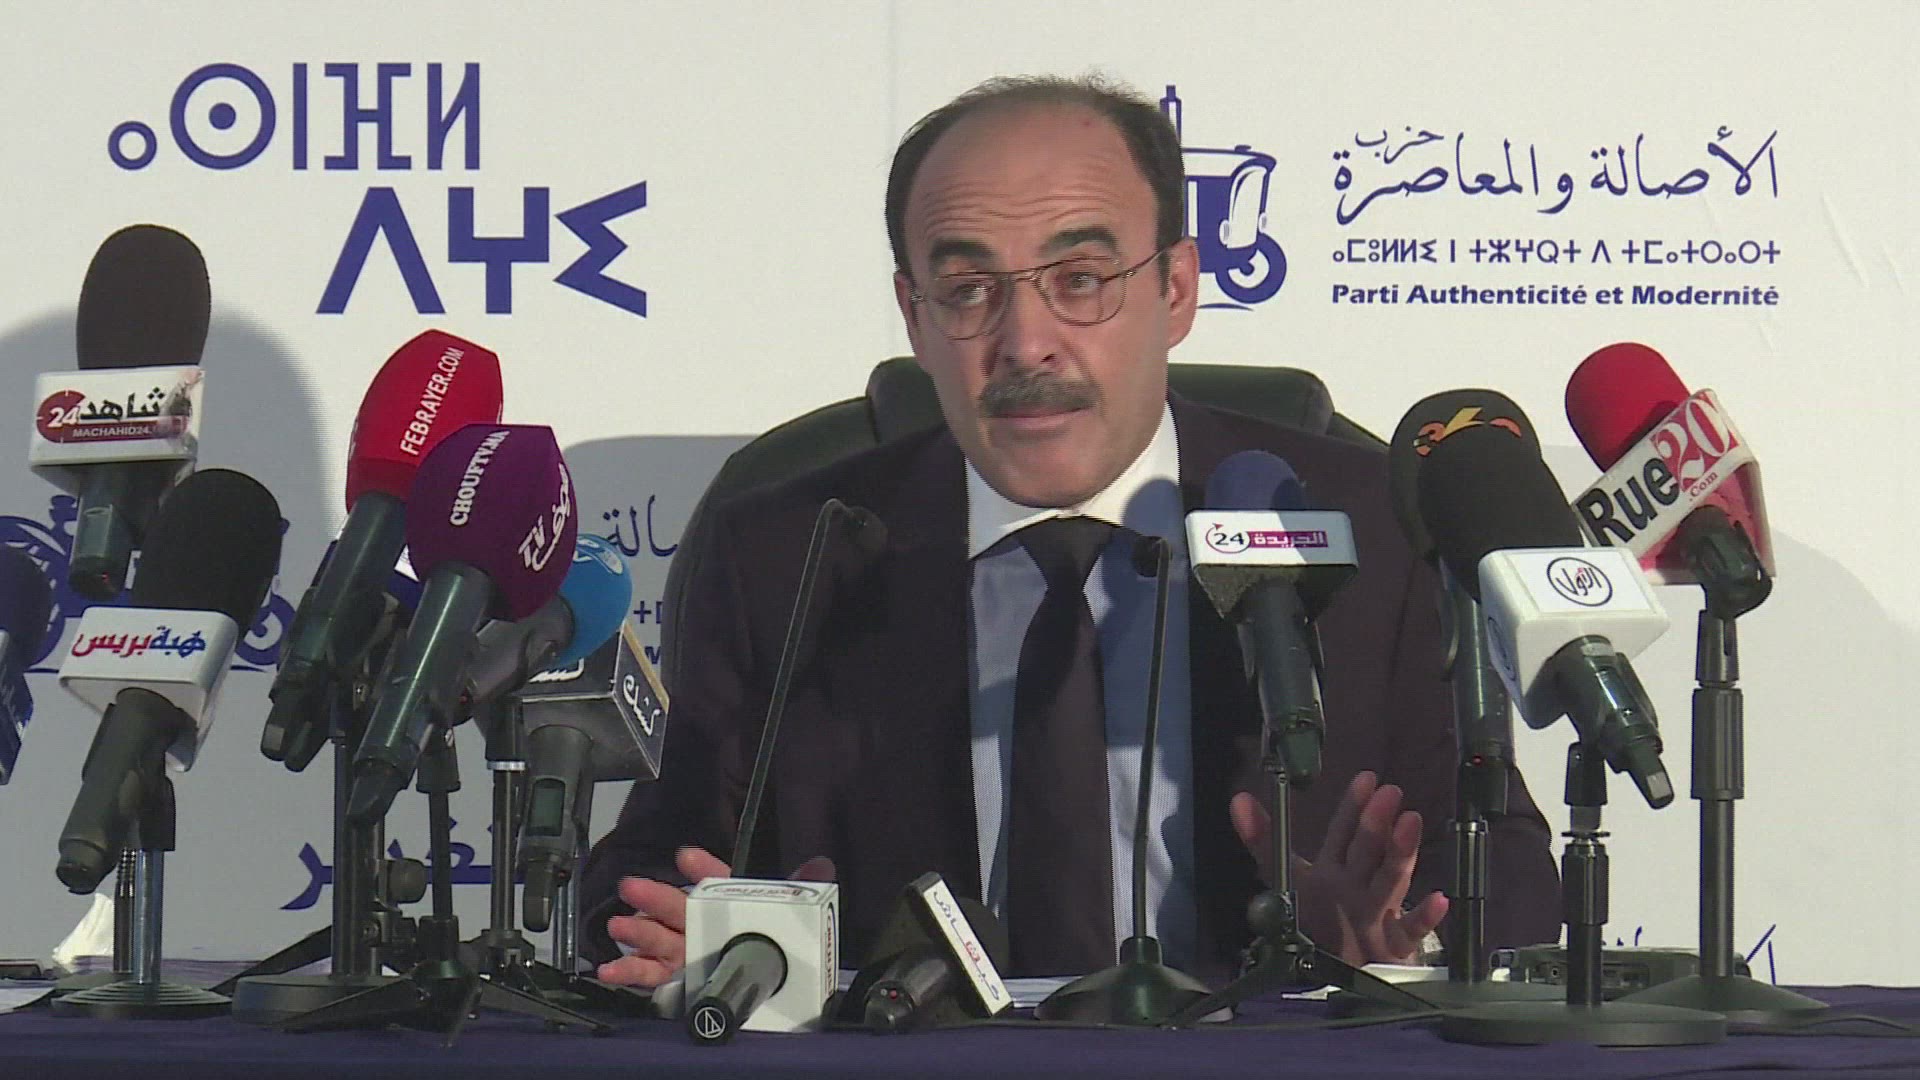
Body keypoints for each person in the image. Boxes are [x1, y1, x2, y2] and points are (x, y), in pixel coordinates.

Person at [581, 75, 1559, 985]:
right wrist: (679, 938)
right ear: (914, 317)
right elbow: (647, 871)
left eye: (1082, 279)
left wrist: (1399, 946)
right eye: (968, 291)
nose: (1025, 342)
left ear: (1176, 290)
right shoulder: (787, 553)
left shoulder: (1373, 528)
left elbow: (1505, 871)